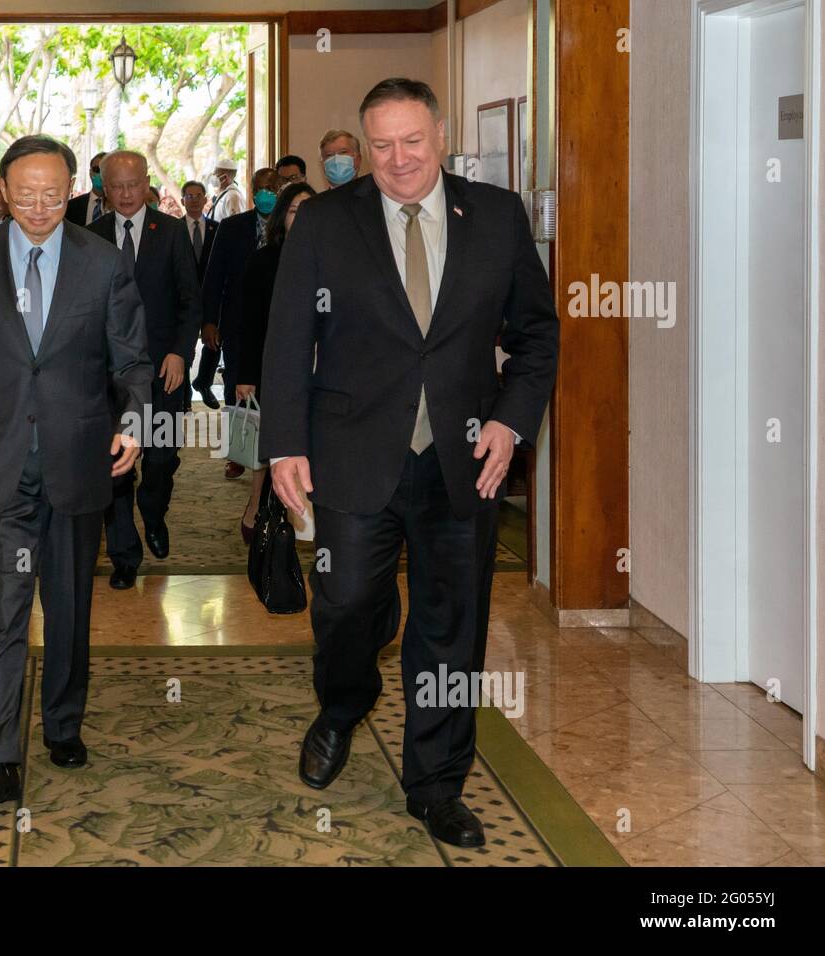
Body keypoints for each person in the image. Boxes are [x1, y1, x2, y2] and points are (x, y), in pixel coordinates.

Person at [261, 78, 558, 848]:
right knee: (348, 604)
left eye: (413, 141)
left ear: (441, 133)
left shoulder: (495, 217)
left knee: (451, 628)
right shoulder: (326, 222)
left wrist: (511, 423)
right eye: (382, 145)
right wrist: (283, 446)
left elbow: (537, 335)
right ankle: (343, 701)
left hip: (464, 462)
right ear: (365, 146)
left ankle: (435, 784)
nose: (398, 160)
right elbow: (288, 339)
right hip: (352, 455)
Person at [0, 135, 152, 807]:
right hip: (1, 462)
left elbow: (132, 361)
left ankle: (63, 724)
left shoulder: (103, 263)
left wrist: (136, 421)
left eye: (53, 195)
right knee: (6, 613)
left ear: (71, 193)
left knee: (67, 607)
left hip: (79, 460)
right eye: (24, 193)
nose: (38, 206)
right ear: (1, 188)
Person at [88, 151, 201, 590]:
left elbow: (191, 301)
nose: (126, 194)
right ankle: (124, 554)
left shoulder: (171, 233)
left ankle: (154, 513)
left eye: (133, 185)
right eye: (115, 186)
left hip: (162, 370)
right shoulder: (90, 235)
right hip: (108, 377)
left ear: (147, 182)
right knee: (116, 466)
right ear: (103, 186)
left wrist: (179, 352)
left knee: (160, 458)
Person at [235, 181, 316, 543]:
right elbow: (248, 323)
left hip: (322, 369)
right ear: (283, 216)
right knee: (271, 446)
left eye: (311, 210)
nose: (304, 218)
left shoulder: (334, 257)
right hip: (275, 368)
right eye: (297, 211)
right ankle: (257, 506)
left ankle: (307, 515)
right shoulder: (265, 260)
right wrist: (246, 373)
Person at [201, 166, 280, 479]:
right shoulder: (232, 227)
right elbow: (214, 276)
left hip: (278, 323)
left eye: (271, 188)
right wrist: (209, 320)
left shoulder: (291, 226)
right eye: (260, 188)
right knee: (236, 383)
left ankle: (273, 446)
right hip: (238, 323)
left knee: (272, 385)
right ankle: (238, 449)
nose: (265, 194)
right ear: (251, 190)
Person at [182, 180, 219, 411]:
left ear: (206, 199)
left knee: (214, 341)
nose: (194, 200)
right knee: (184, 345)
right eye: (189, 196)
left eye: (198, 195)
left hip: (211, 295)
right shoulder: (173, 228)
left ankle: (204, 382)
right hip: (183, 297)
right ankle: (183, 395)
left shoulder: (218, 228)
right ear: (183, 200)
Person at [65, 151, 108, 225]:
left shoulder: (120, 206)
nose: (101, 174)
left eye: (106, 170)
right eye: (97, 170)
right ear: (90, 173)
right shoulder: (70, 206)